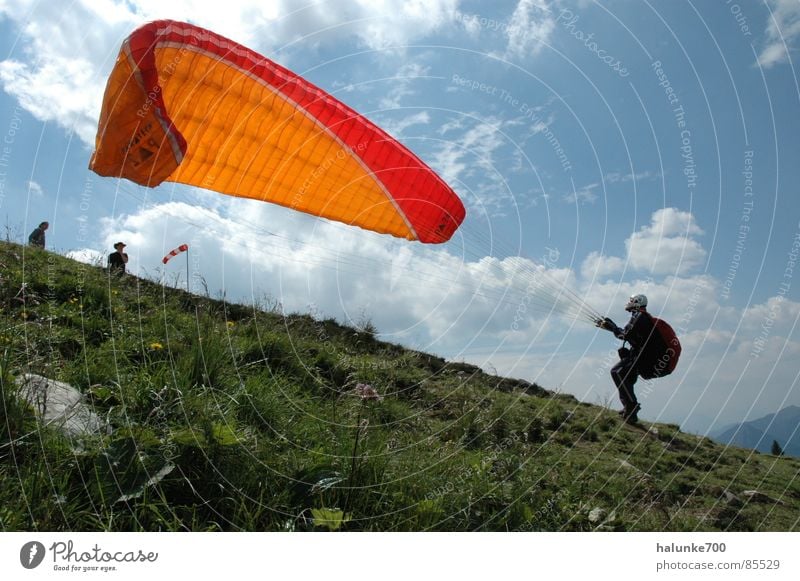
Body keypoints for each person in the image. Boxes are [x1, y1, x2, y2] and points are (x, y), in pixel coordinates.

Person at [596, 294, 660, 424]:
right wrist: (611, 326)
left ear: (637, 302)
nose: (629, 302)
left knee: (617, 372)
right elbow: (628, 334)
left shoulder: (639, 317)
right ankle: (629, 408)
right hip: (641, 355)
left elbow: (624, 334)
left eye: (631, 301)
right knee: (626, 377)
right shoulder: (640, 317)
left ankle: (631, 407)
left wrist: (611, 327)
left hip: (641, 356)